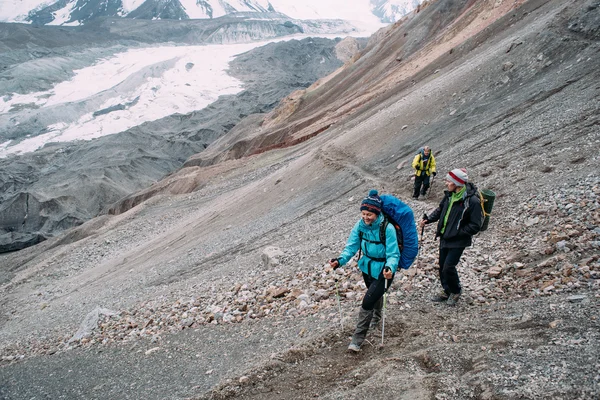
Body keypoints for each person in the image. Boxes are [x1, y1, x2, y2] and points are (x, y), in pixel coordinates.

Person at [328, 189, 399, 352]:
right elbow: (351, 246)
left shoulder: (387, 229)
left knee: (367, 301)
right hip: (367, 267)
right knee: (374, 294)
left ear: (377, 213)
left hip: (384, 271)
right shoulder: (360, 226)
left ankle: (357, 340)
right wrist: (340, 261)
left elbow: (394, 253)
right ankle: (377, 317)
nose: (366, 217)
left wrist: (390, 268)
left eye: (369, 214)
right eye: (363, 213)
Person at [419, 168, 483, 306]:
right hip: (445, 237)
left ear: (457, 183)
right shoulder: (450, 195)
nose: (446, 183)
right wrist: (428, 220)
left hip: (458, 240)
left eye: (449, 181)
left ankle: (455, 291)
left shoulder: (472, 201)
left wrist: (457, 232)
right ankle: (447, 290)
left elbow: (476, 225)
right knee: (442, 266)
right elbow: (441, 210)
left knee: (448, 267)